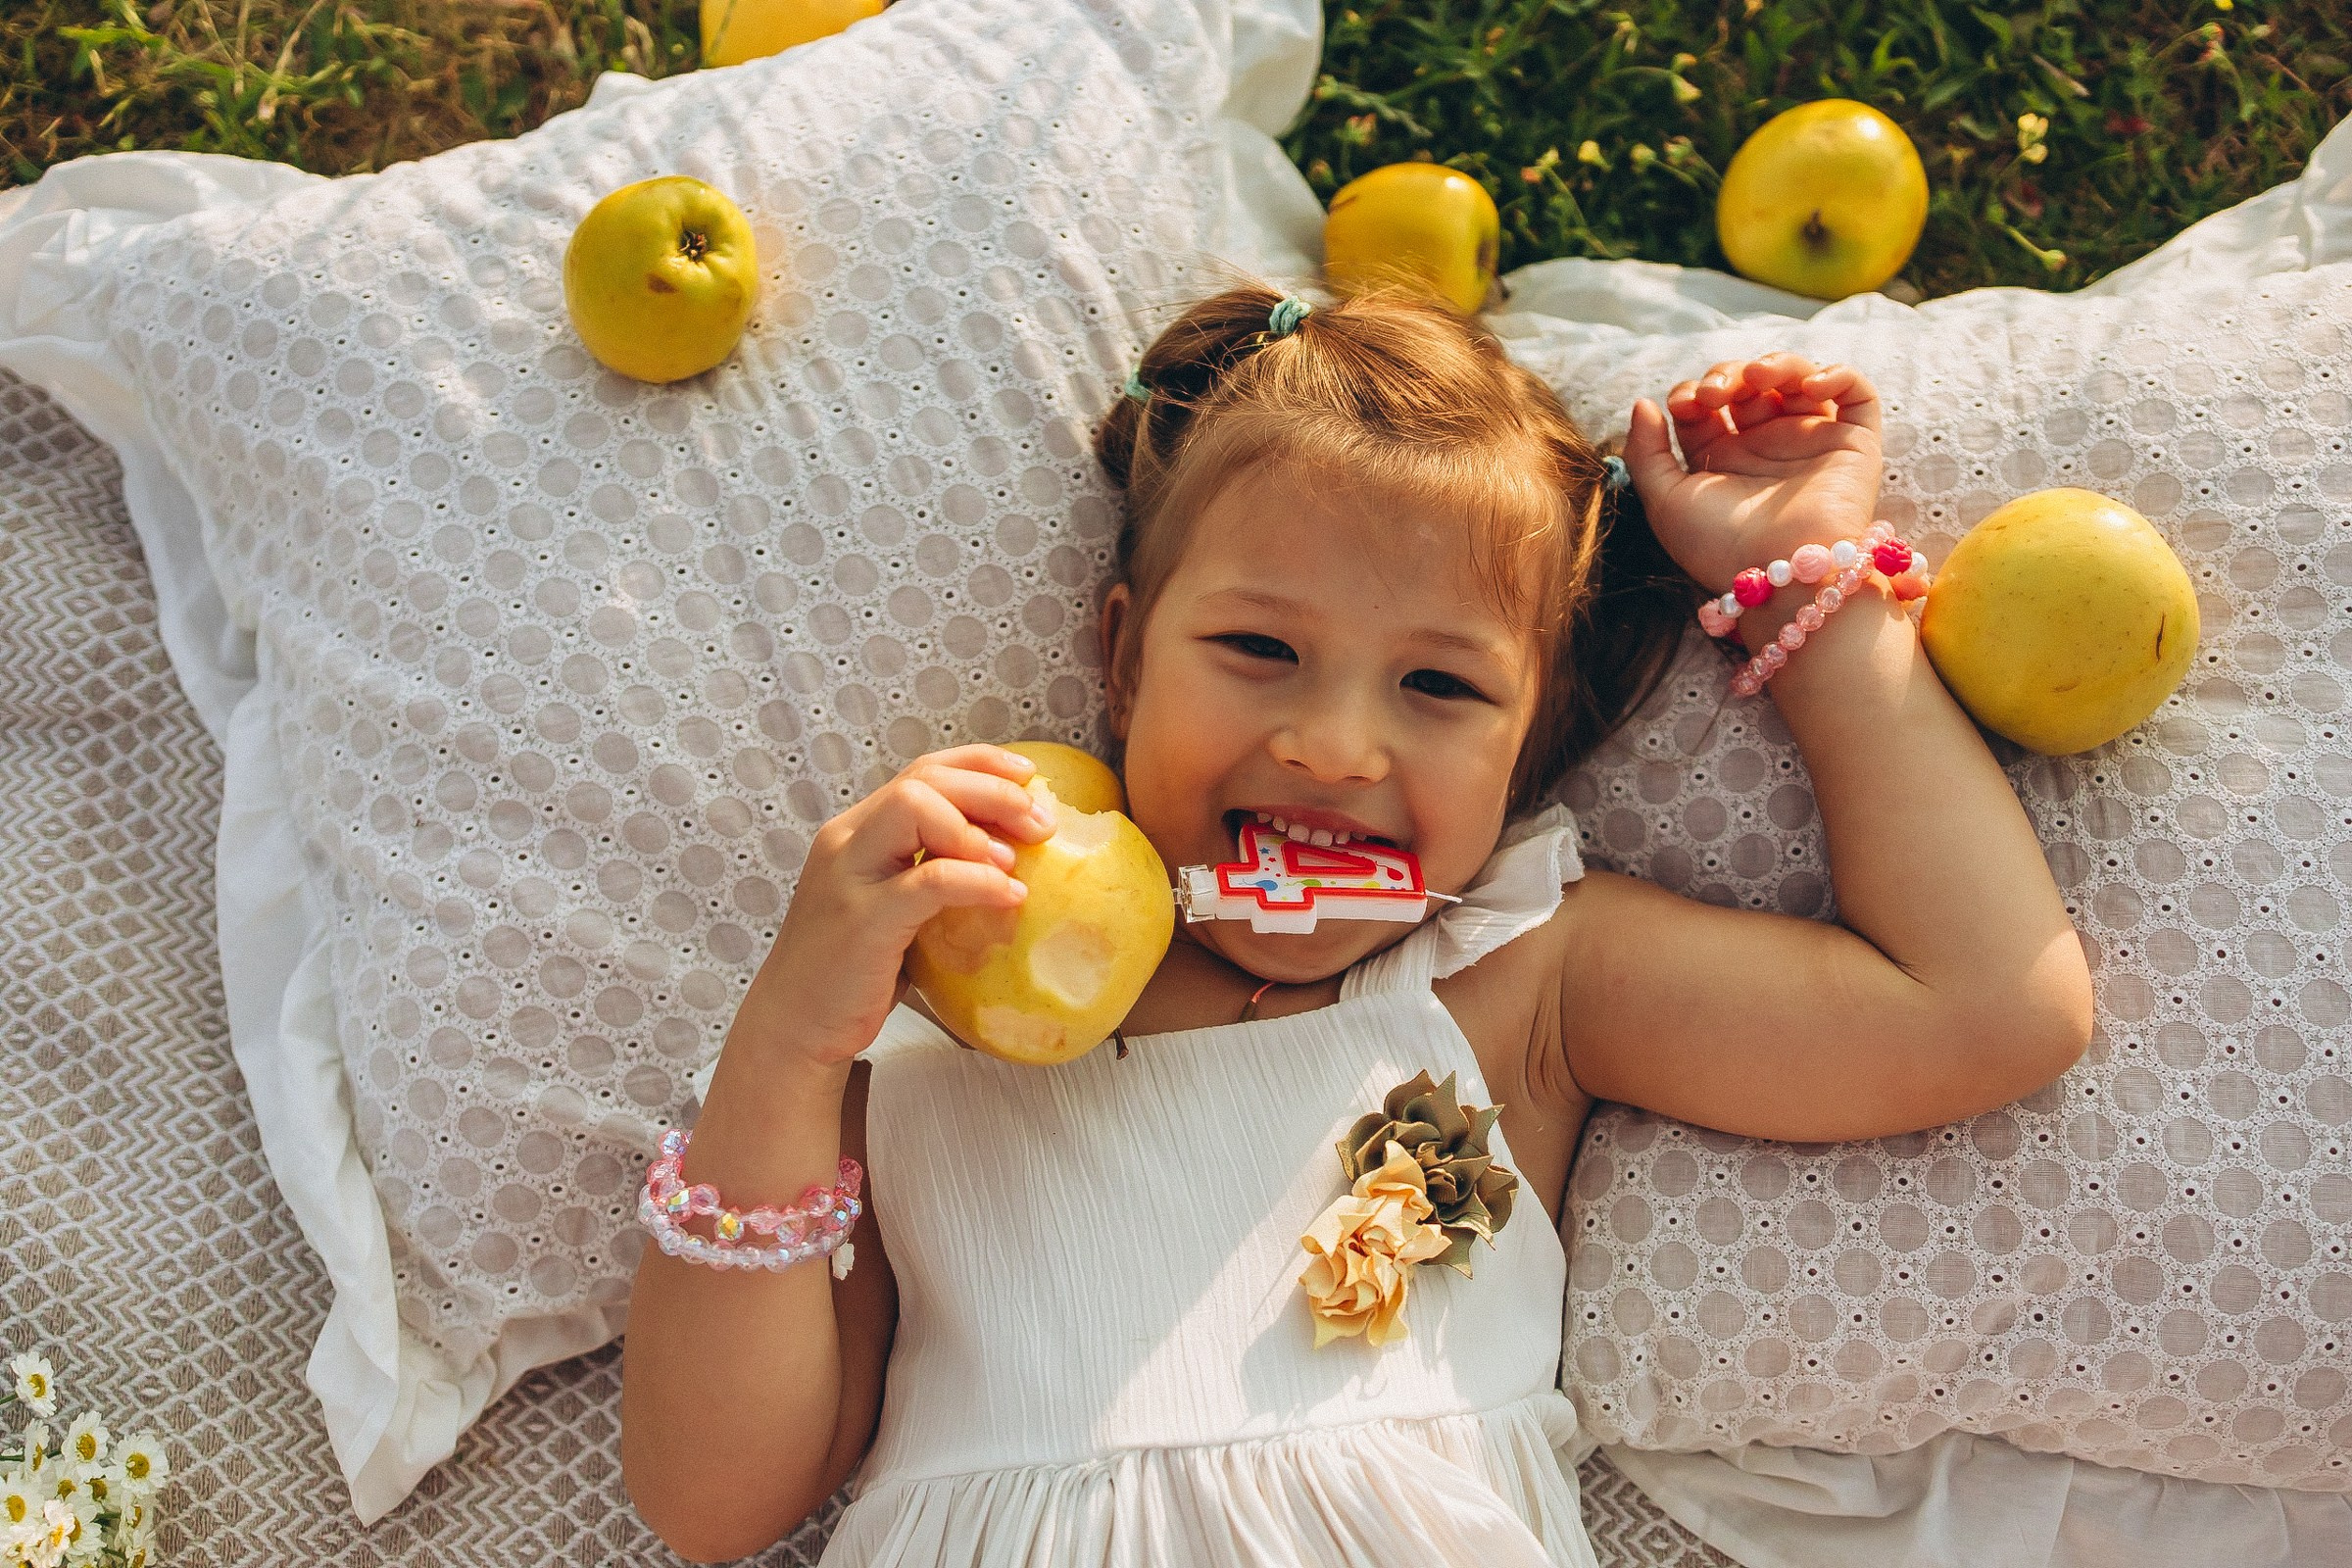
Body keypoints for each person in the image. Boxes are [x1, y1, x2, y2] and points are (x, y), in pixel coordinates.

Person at [619, 285, 2093, 1565]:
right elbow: (712, 1503)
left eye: (1441, 688)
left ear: (1532, 741)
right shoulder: (934, 1000)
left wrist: (1815, 587)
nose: (1333, 747)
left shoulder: (1515, 973)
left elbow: (1985, 1008)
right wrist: (790, 1042)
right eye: (1260, 650)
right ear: (1123, 659)